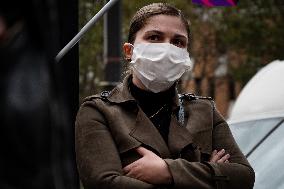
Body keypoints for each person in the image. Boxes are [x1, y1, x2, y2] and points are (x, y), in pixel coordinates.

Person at [75, 3, 255, 189]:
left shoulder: (204, 111)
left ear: (185, 54)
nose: (167, 49)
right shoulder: (99, 112)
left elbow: (243, 177)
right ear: (129, 51)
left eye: (178, 42)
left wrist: (167, 171)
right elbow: (103, 183)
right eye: (154, 37)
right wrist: (208, 174)